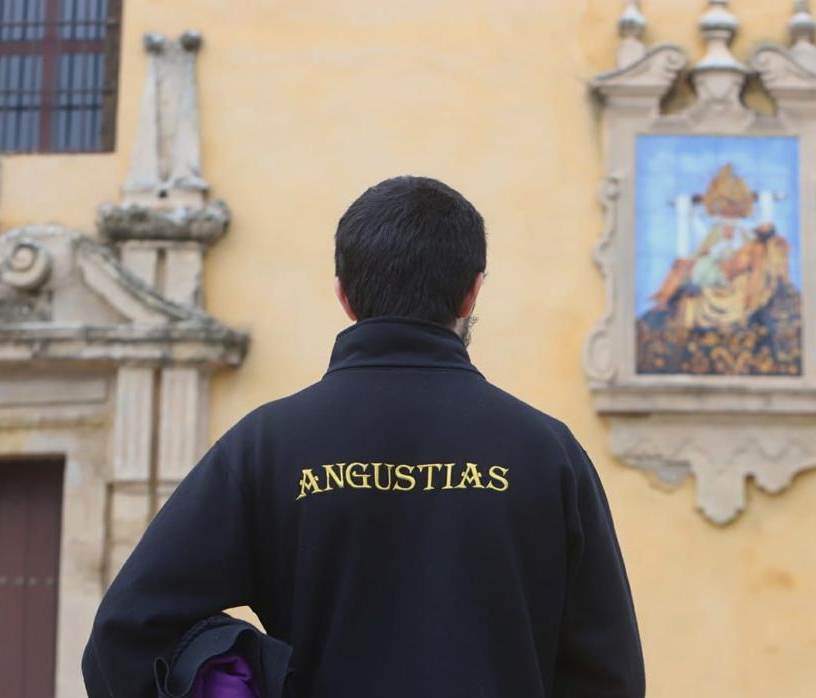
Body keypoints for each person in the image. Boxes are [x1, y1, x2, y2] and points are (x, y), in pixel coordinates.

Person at [82, 176, 645, 697]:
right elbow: (610, 677)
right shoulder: (547, 453)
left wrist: (247, 676)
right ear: (472, 293)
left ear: (344, 295)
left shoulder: (265, 448)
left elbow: (126, 636)